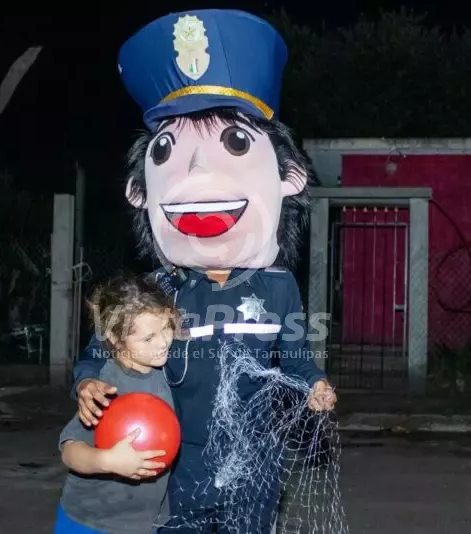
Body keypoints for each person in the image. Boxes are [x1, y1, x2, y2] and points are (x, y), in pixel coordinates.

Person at [72, 9, 337, 533]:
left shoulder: (279, 286)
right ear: (140, 193)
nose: (197, 175)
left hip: (256, 465)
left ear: (287, 179)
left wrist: (315, 384)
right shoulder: (154, 293)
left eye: (236, 143)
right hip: (174, 463)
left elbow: (295, 358)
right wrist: (87, 383)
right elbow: (99, 352)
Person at [55, 275, 181, 534]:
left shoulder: (169, 373)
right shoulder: (105, 387)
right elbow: (69, 451)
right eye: (148, 338)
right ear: (114, 337)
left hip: (146, 523)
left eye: (166, 328)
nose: (163, 342)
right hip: (90, 522)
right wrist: (107, 460)